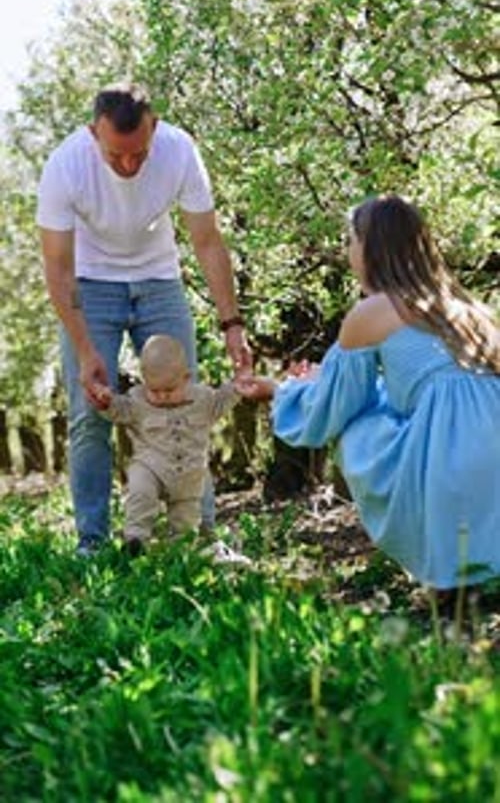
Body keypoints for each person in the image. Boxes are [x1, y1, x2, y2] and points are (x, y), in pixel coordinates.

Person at [238, 195, 500, 590]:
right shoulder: (469, 310)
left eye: (350, 241)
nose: (348, 252)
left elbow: (331, 407)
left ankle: (451, 570)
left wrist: (282, 391)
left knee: (356, 425)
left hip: (451, 459)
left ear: (372, 248)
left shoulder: (373, 311)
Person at [37, 82, 251, 555]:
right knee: (89, 414)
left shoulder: (178, 150)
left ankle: (200, 539)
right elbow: (58, 266)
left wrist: (232, 324)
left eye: (141, 153)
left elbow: (208, 241)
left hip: (159, 281)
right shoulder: (65, 165)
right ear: (94, 133)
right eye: (117, 156)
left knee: (188, 403)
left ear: (154, 127)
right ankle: (92, 544)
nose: (130, 166)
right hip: (91, 286)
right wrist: (87, 350)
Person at [93, 334, 250, 564]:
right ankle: (135, 541)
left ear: (186, 378)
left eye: (169, 390)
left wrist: (239, 385)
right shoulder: (137, 401)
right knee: (140, 492)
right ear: (144, 382)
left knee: (186, 522)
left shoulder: (204, 399)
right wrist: (105, 401)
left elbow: (224, 399)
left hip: (189, 477)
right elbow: (119, 410)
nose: (162, 396)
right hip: (150, 467)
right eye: (154, 391)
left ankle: (181, 556)